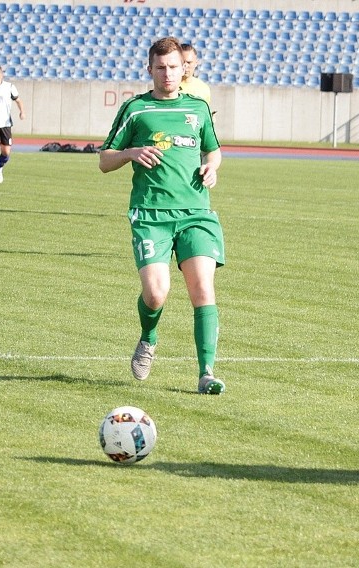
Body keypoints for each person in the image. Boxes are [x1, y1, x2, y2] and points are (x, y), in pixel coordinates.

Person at [98, 37, 225, 395]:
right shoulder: (136, 109)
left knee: (202, 289)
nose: (168, 73)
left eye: (174, 67)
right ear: (150, 69)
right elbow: (105, 159)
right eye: (161, 67)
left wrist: (211, 168)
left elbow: (213, 152)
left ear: (183, 69)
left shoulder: (197, 109)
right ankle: (148, 337)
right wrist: (131, 153)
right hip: (151, 214)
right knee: (156, 294)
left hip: (195, 213)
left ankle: (207, 373)